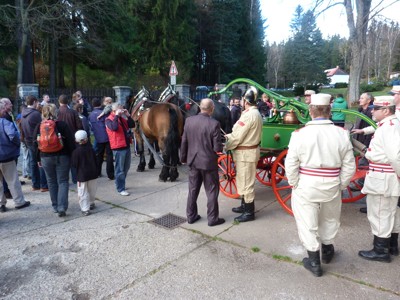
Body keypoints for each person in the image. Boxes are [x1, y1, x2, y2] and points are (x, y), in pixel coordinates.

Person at [285, 93, 355, 277]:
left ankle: (314, 261)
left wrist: (294, 183)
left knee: (307, 221)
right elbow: (349, 165)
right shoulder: (342, 134)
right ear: (329, 111)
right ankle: (328, 251)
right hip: (332, 183)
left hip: (306, 184)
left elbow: (291, 163)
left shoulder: (299, 134)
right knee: (329, 218)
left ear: (311, 111)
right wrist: (341, 184)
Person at [357, 96, 400, 263]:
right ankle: (392, 246)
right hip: (386, 176)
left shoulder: (389, 128)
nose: (372, 111)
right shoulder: (390, 124)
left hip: (383, 177)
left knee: (380, 213)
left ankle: (380, 251)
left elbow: (395, 157)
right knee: (392, 212)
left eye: (376, 108)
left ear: (386, 110)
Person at [180, 98, 225, 226]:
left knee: (193, 190)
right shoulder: (214, 124)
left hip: (193, 161)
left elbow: (184, 142)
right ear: (212, 109)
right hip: (208, 163)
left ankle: (191, 216)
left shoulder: (189, 121)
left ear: (200, 107)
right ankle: (212, 219)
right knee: (211, 191)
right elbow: (217, 148)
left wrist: (183, 158)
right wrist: (221, 146)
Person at [224, 86, 263, 222]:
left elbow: (238, 136)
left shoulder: (249, 115)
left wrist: (226, 144)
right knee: (243, 180)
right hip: (247, 152)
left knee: (246, 183)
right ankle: (244, 206)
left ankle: (249, 212)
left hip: (246, 154)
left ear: (246, 101)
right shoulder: (254, 113)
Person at [34, 104, 75, 217]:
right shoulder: (62, 125)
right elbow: (71, 141)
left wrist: (38, 158)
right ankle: (62, 207)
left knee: (51, 182)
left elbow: (35, 144)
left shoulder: (39, 126)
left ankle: (55, 206)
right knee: (63, 181)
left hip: (45, 157)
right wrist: (72, 155)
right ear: (55, 112)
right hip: (63, 156)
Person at [0, 99, 31, 211]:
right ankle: (19, 202)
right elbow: (12, 135)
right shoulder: (4, 122)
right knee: (12, 179)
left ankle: (1, 204)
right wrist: (16, 144)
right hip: (5, 156)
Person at [350, 93, 374, 212]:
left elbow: (374, 127)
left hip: (367, 142)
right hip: (360, 139)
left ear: (369, 100)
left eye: (362, 98)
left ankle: (361, 183)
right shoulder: (361, 110)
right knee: (363, 164)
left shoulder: (371, 111)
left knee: (365, 166)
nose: (359, 100)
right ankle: (361, 184)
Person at [105, 103, 134, 196]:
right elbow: (114, 127)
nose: (121, 111)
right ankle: (121, 188)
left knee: (126, 167)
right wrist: (117, 115)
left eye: (122, 109)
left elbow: (132, 125)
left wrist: (128, 116)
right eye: (120, 109)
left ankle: (119, 182)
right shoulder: (109, 120)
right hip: (118, 148)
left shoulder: (122, 118)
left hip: (126, 146)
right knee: (120, 169)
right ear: (114, 110)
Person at [21, 95, 48, 192]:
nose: (38, 104)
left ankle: (35, 184)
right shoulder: (36, 114)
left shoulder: (23, 113)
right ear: (34, 102)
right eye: (37, 102)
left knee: (33, 162)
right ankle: (44, 185)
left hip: (28, 141)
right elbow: (43, 126)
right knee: (40, 162)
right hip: (36, 141)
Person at [71, 130, 98, 216]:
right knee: (92, 190)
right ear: (87, 139)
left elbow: (74, 164)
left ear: (76, 140)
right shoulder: (91, 150)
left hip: (82, 175)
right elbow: (96, 160)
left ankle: (85, 208)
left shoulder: (76, 152)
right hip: (93, 173)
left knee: (82, 192)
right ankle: (91, 202)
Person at [57, 94, 83, 184]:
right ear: (67, 101)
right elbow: (80, 126)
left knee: (62, 160)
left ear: (59, 102)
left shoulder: (56, 112)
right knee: (73, 160)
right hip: (72, 139)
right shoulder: (73, 112)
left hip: (60, 140)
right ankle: (75, 179)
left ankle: (64, 179)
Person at [88, 98, 115, 180]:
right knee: (109, 156)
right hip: (107, 137)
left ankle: (97, 172)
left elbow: (91, 128)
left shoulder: (91, 115)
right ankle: (110, 174)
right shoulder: (104, 113)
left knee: (99, 155)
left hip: (98, 137)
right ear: (100, 103)